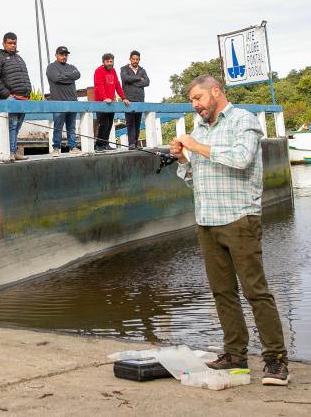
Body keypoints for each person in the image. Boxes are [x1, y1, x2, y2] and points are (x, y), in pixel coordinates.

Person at [170, 75, 289, 387]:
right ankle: (235, 354)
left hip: (239, 219)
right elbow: (196, 178)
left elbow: (241, 159)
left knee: (255, 290)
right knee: (222, 291)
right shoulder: (199, 129)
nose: (195, 106)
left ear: (215, 91)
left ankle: (275, 359)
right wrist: (183, 159)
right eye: (192, 101)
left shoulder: (243, 121)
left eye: (198, 98)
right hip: (207, 220)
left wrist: (196, 146)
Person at [0, 32, 31, 162]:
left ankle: (13, 151)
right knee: (11, 125)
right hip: (11, 98)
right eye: (10, 43)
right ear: (4, 43)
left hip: (24, 98)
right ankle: (10, 153)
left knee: (17, 126)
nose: (12, 45)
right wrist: (6, 94)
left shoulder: (19, 58)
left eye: (14, 43)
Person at [46, 46, 81, 155]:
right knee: (58, 126)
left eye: (66, 55)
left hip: (72, 102)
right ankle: (56, 148)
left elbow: (77, 74)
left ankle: (72, 146)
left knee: (71, 126)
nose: (64, 56)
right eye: (61, 54)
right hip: (58, 102)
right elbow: (56, 78)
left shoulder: (72, 66)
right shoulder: (51, 67)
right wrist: (69, 78)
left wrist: (63, 77)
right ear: (56, 55)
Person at [93, 53, 129, 151]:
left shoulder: (113, 71)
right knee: (103, 124)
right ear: (103, 62)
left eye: (111, 61)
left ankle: (105, 144)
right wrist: (104, 98)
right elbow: (99, 85)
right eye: (107, 61)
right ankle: (98, 145)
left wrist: (123, 97)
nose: (109, 63)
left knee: (109, 124)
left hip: (111, 103)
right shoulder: (98, 71)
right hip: (101, 103)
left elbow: (117, 84)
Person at [120, 50, 150, 149]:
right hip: (129, 100)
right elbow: (125, 79)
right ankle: (131, 143)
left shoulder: (143, 70)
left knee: (137, 123)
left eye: (137, 59)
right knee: (130, 122)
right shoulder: (124, 69)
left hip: (140, 99)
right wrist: (138, 79)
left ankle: (135, 143)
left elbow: (147, 82)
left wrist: (133, 82)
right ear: (130, 59)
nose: (135, 61)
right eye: (133, 59)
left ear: (139, 60)